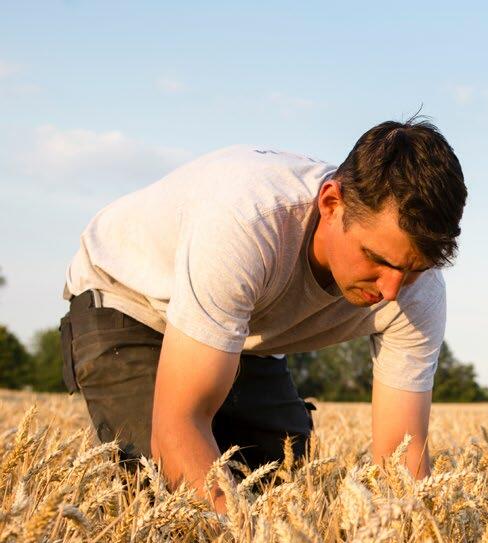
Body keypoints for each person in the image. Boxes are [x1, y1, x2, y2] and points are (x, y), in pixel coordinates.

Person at [58, 117, 467, 513]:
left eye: (413, 270)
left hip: (243, 327)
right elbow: (178, 423)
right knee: (163, 490)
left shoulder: (420, 294)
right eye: (375, 259)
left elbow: (402, 452)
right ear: (330, 203)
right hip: (130, 300)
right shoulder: (248, 224)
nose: (392, 290)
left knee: (276, 473)